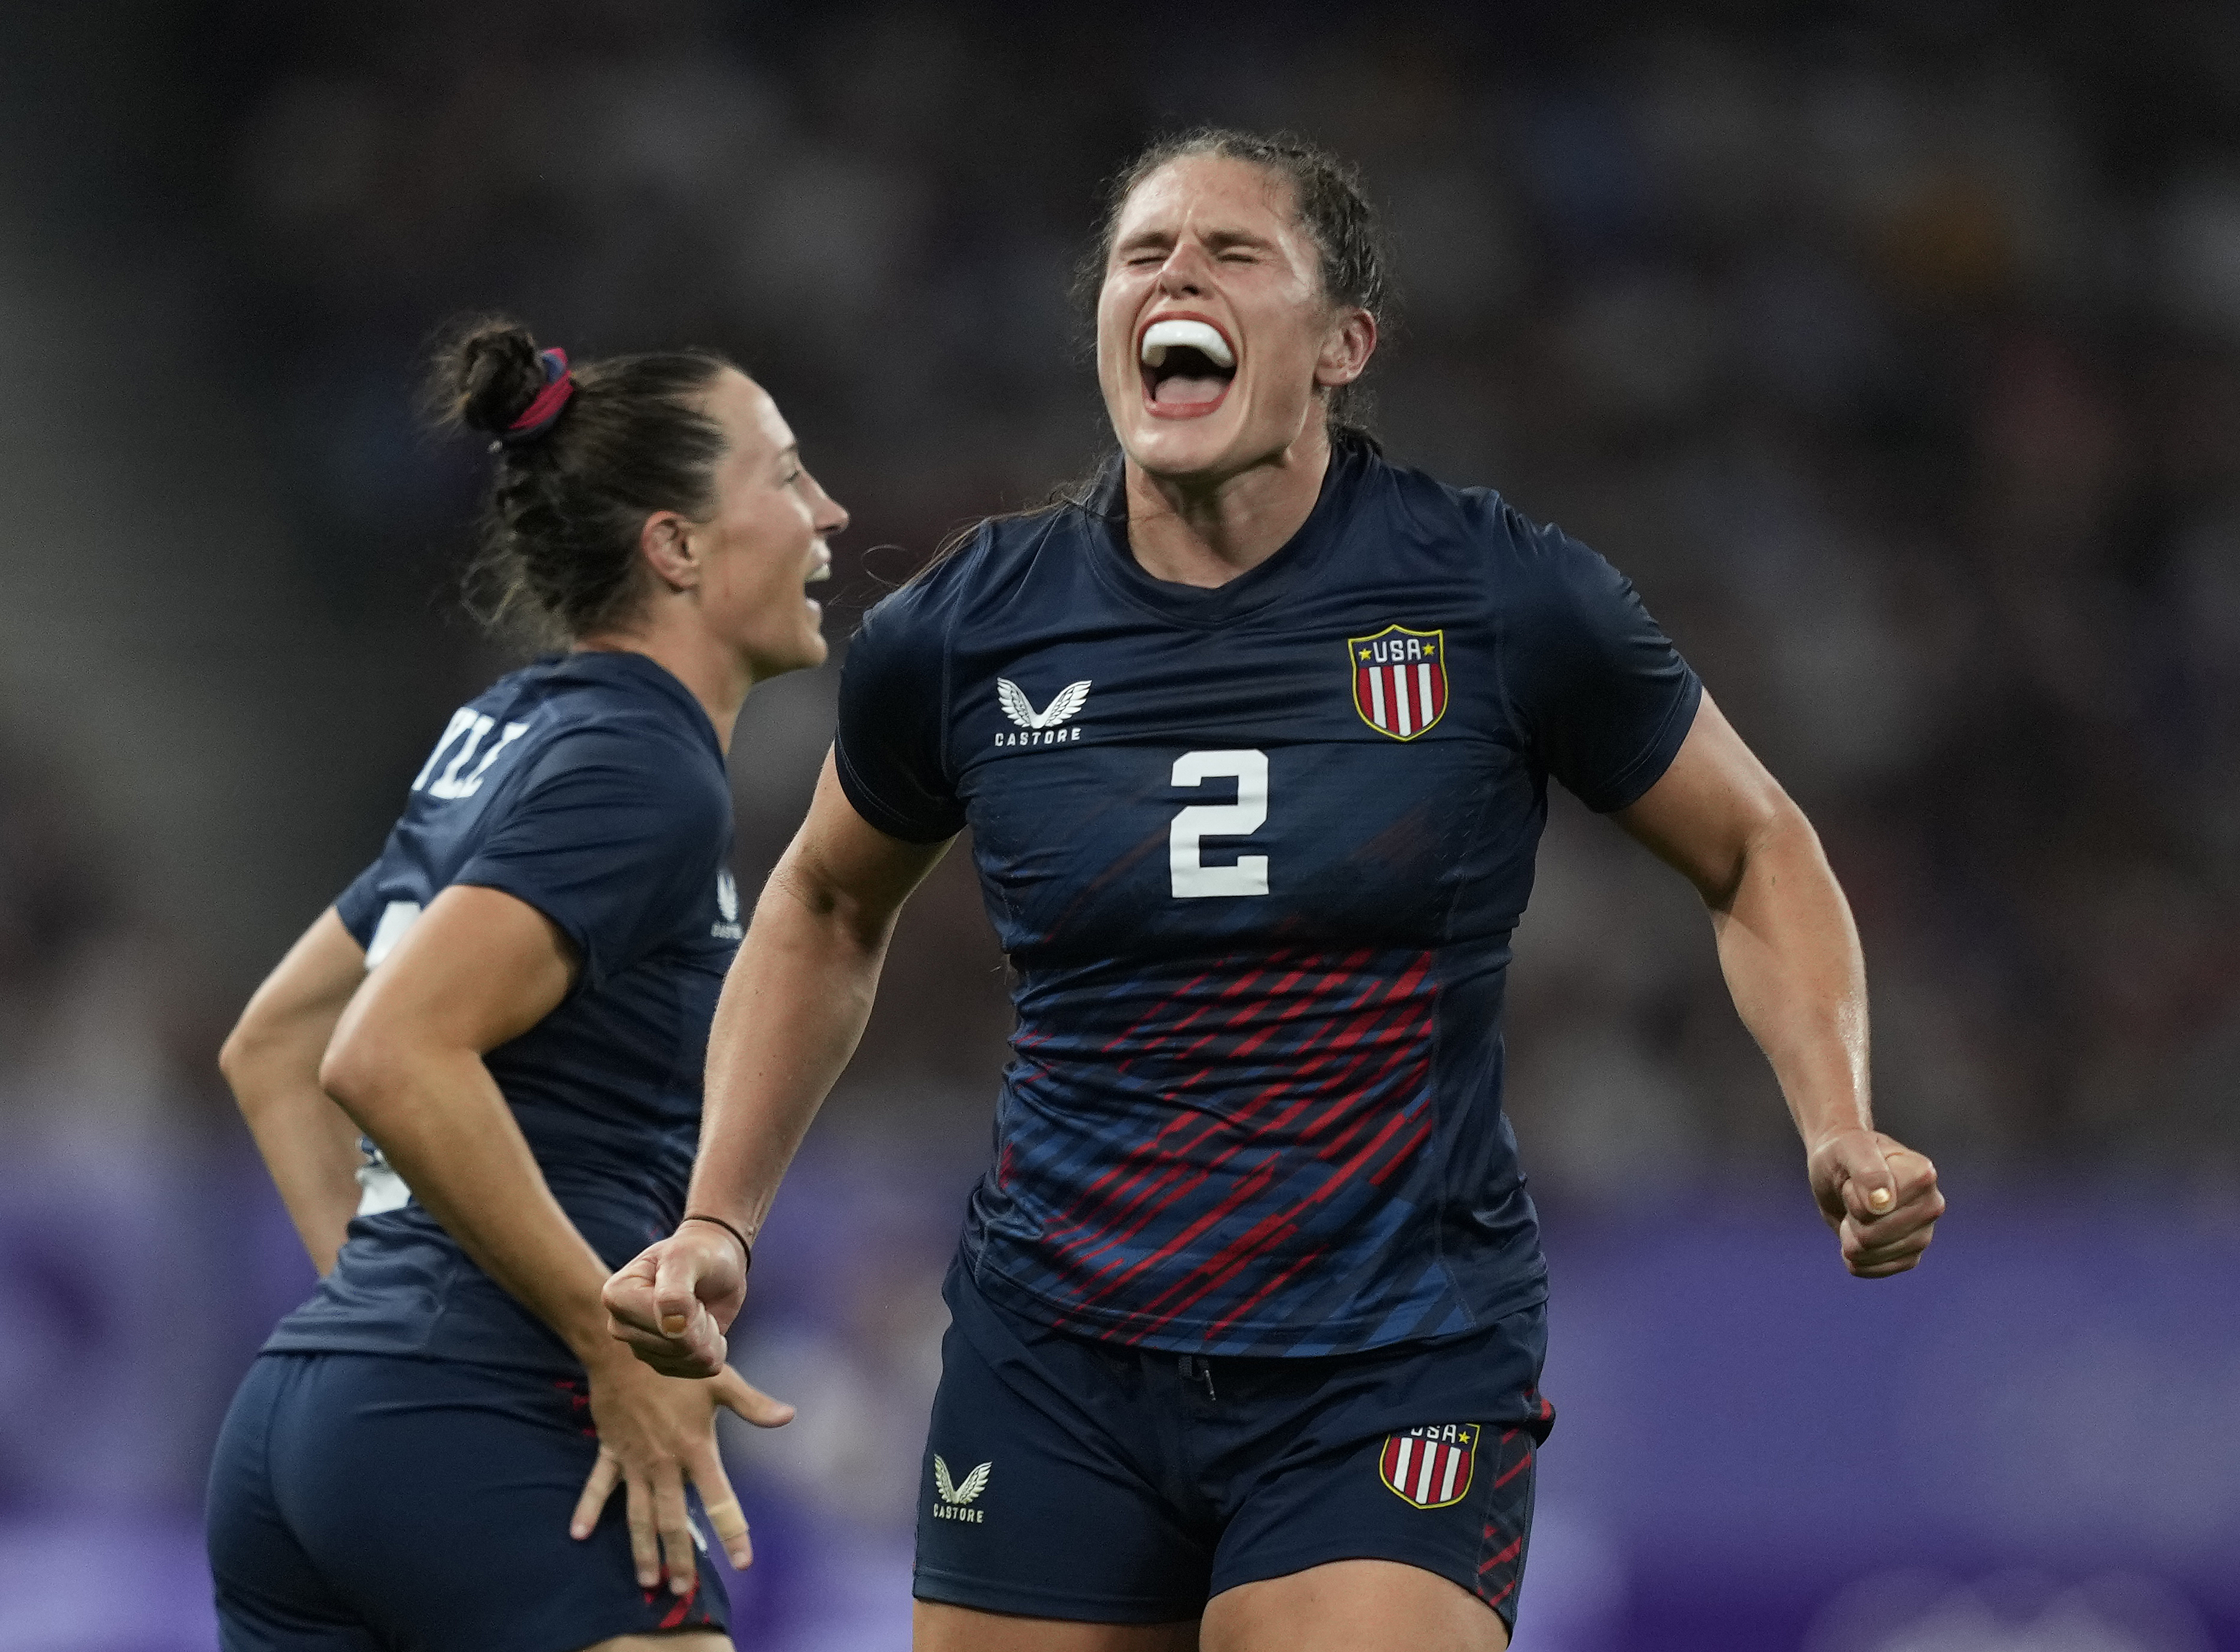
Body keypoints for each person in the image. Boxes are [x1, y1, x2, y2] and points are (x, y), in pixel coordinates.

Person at [603, 128, 1946, 1652]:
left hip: (1389, 1356)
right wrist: (719, 1219)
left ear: (1340, 346)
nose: (1174, 276)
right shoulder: (967, 630)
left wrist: (1835, 1122)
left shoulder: (1494, 594)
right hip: (1056, 1358)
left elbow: (1753, 848)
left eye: (1232, 253)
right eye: (1141, 256)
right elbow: (824, 908)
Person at [206, 319, 848, 1652]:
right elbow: (381, 1051)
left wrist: (385, 1325)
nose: (827, 512)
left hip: (317, 1414)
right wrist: (601, 1350)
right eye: (787, 477)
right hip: (488, 1415)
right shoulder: (641, 769)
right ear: (675, 547)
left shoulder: (512, 728)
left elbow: (273, 1044)